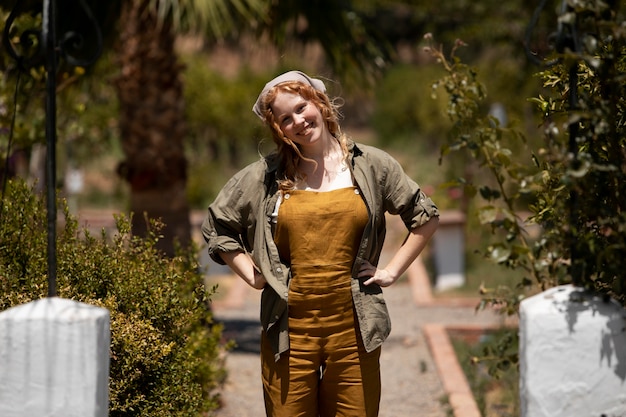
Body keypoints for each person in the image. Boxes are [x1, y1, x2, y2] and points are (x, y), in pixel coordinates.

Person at [202, 70, 439, 417]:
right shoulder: (266, 176)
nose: (298, 121)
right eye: (285, 118)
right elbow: (217, 226)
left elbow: (425, 216)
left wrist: (391, 272)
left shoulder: (370, 165)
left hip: (354, 328)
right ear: (278, 129)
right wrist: (252, 275)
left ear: (320, 102)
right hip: (289, 332)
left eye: (301, 107)